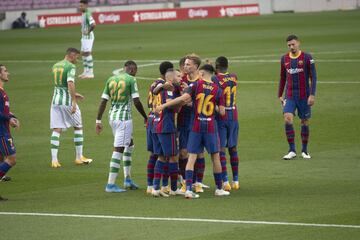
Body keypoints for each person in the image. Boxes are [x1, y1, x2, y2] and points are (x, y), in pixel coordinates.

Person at [155, 64, 230, 199]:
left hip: (195, 126)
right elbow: (223, 112)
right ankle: (219, 188)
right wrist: (214, 108)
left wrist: (164, 105)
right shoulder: (218, 90)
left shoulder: (195, 86)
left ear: (201, 73)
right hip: (210, 127)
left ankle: (189, 189)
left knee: (192, 157)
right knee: (215, 157)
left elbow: (183, 99)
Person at [96, 60, 148, 193]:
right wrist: (145, 116)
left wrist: (98, 120)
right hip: (124, 119)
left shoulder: (111, 79)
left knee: (129, 145)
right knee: (118, 148)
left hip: (112, 117)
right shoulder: (131, 80)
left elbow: (103, 100)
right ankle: (110, 184)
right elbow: (136, 101)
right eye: (135, 71)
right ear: (132, 70)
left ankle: (128, 179)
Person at [50, 48, 92, 168]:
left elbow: (60, 85)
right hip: (67, 102)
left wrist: (74, 93)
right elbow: (69, 83)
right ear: (72, 56)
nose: (77, 60)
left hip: (55, 100)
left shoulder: (55, 65)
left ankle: (54, 160)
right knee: (78, 126)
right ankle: (79, 157)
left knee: (56, 129)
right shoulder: (70, 67)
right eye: (77, 57)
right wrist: (73, 100)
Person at [278, 35, 317, 160]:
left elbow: (313, 77)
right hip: (289, 95)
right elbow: (283, 77)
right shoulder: (284, 58)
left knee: (304, 121)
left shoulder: (307, 57)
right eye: (289, 45)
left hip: (304, 96)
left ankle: (304, 150)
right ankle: (292, 150)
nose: (291, 47)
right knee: (287, 118)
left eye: (293, 44)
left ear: (298, 43)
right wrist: (280, 94)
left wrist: (312, 94)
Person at [152, 68, 183, 197]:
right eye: (179, 76)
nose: (181, 78)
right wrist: (182, 101)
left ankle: (155, 188)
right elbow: (170, 104)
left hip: (156, 125)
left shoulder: (162, 87)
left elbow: (154, 91)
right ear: (171, 78)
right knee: (173, 157)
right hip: (167, 126)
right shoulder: (170, 88)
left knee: (161, 157)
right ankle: (174, 188)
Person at [146, 61, 174, 194]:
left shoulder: (153, 83)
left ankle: (150, 185)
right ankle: (162, 185)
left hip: (152, 119)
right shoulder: (164, 86)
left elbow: (149, 103)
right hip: (161, 120)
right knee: (164, 155)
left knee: (154, 154)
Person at [212, 56, 240, 190]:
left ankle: (225, 181)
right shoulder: (234, 77)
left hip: (221, 117)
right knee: (233, 148)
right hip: (233, 115)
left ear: (216, 68)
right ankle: (236, 181)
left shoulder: (215, 79)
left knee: (221, 149)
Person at [0, 64, 20, 201]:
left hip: (4, 129)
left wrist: (12, 116)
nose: (8, 73)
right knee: (11, 159)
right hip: (1, 132)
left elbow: (4, 111)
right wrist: (9, 119)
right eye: (5, 71)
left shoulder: (3, 92)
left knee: (1, 159)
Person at [79, 0, 96, 79]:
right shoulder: (84, 13)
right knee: (83, 53)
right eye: (80, 6)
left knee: (87, 53)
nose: (80, 7)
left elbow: (93, 24)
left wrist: (88, 32)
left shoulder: (88, 14)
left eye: (82, 6)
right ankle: (85, 72)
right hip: (84, 37)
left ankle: (90, 73)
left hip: (88, 38)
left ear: (86, 6)